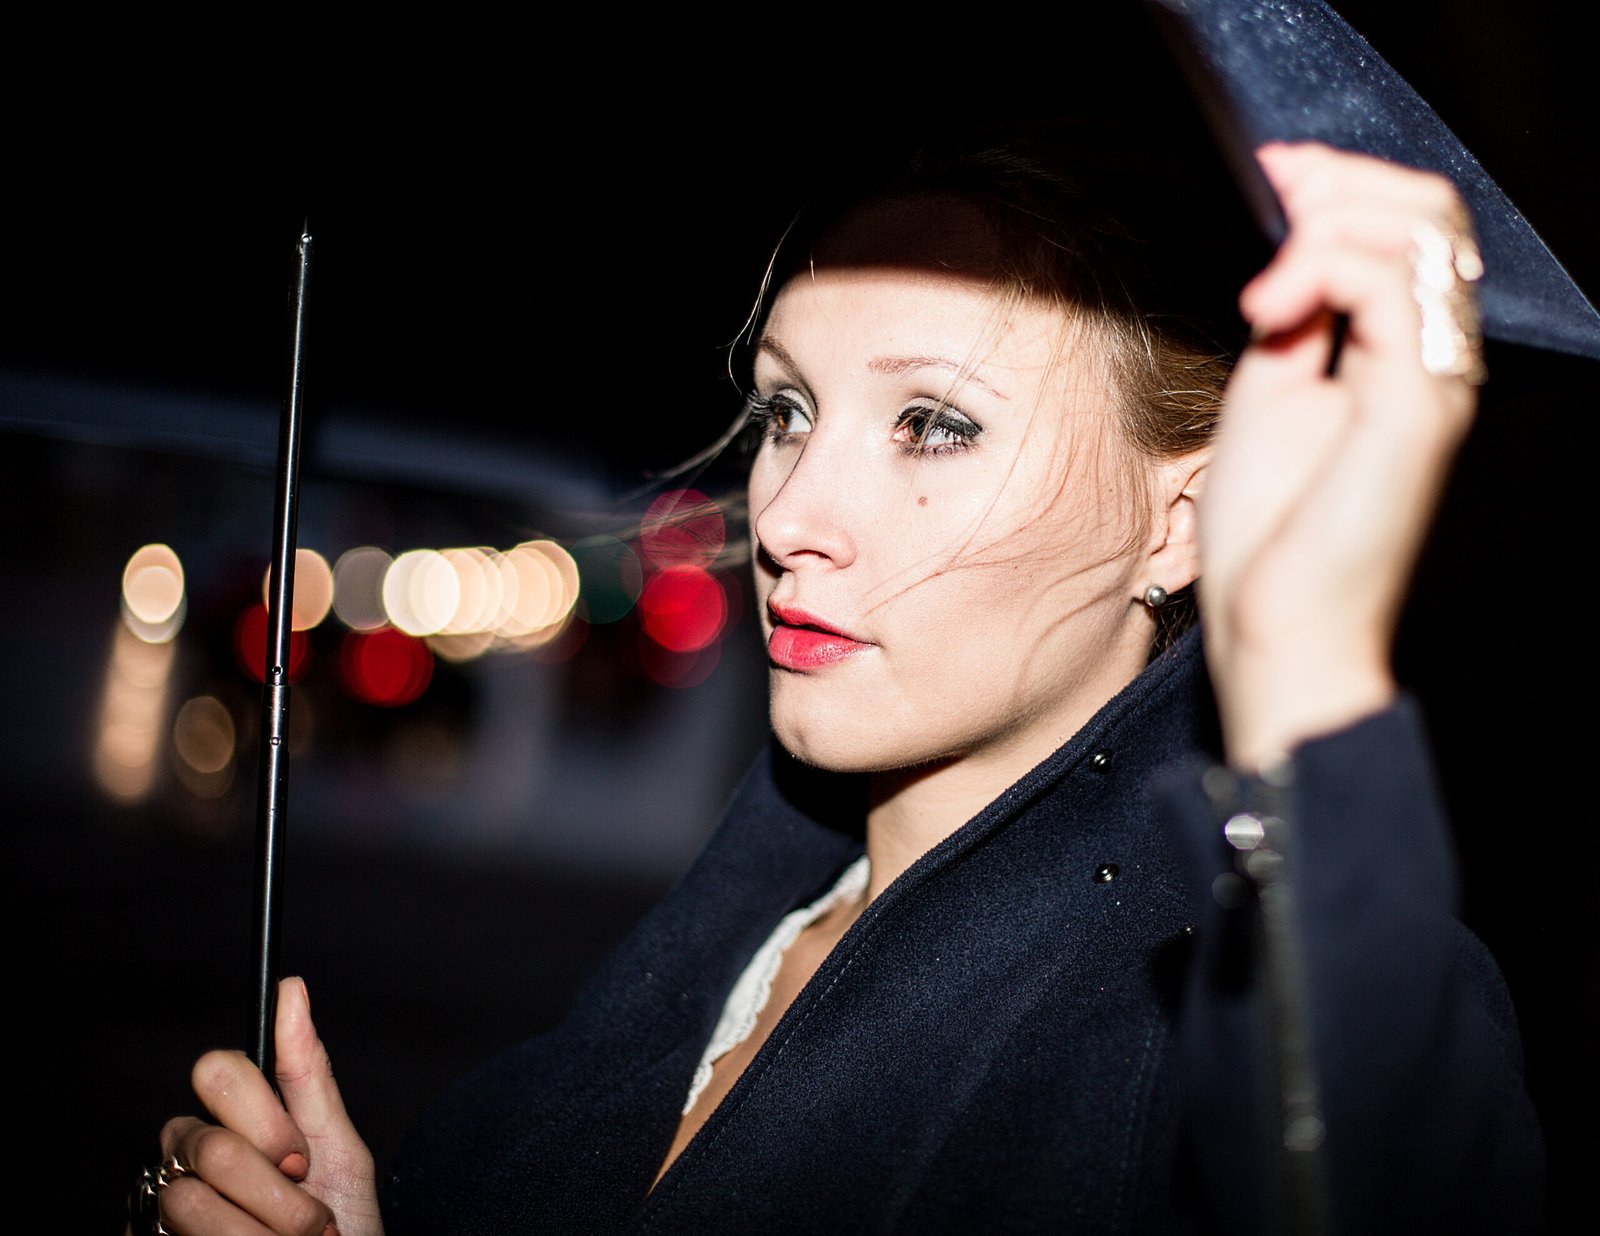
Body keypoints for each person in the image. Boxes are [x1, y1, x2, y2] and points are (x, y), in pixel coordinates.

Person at [136, 122, 1543, 1234]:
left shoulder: (1235, 1016)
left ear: (1183, 520)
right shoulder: (723, 949)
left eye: (932, 422)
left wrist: (1303, 657)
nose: (790, 509)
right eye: (787, 410)